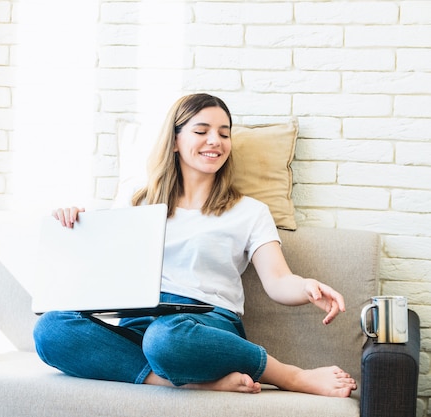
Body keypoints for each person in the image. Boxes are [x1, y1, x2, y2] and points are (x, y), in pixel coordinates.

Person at [33, 93, 357, 397]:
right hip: (137, 320)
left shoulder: (250, 212)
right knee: (49, 330)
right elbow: (100, 273)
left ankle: (290, 375)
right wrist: (75, 226)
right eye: (201, 131)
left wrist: (306, 287)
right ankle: (183, 382)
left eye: (224, 133)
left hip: (202, 325)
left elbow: (278, 281)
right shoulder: (137, 202)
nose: (215, 141)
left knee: (164, 339)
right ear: (175, 141)